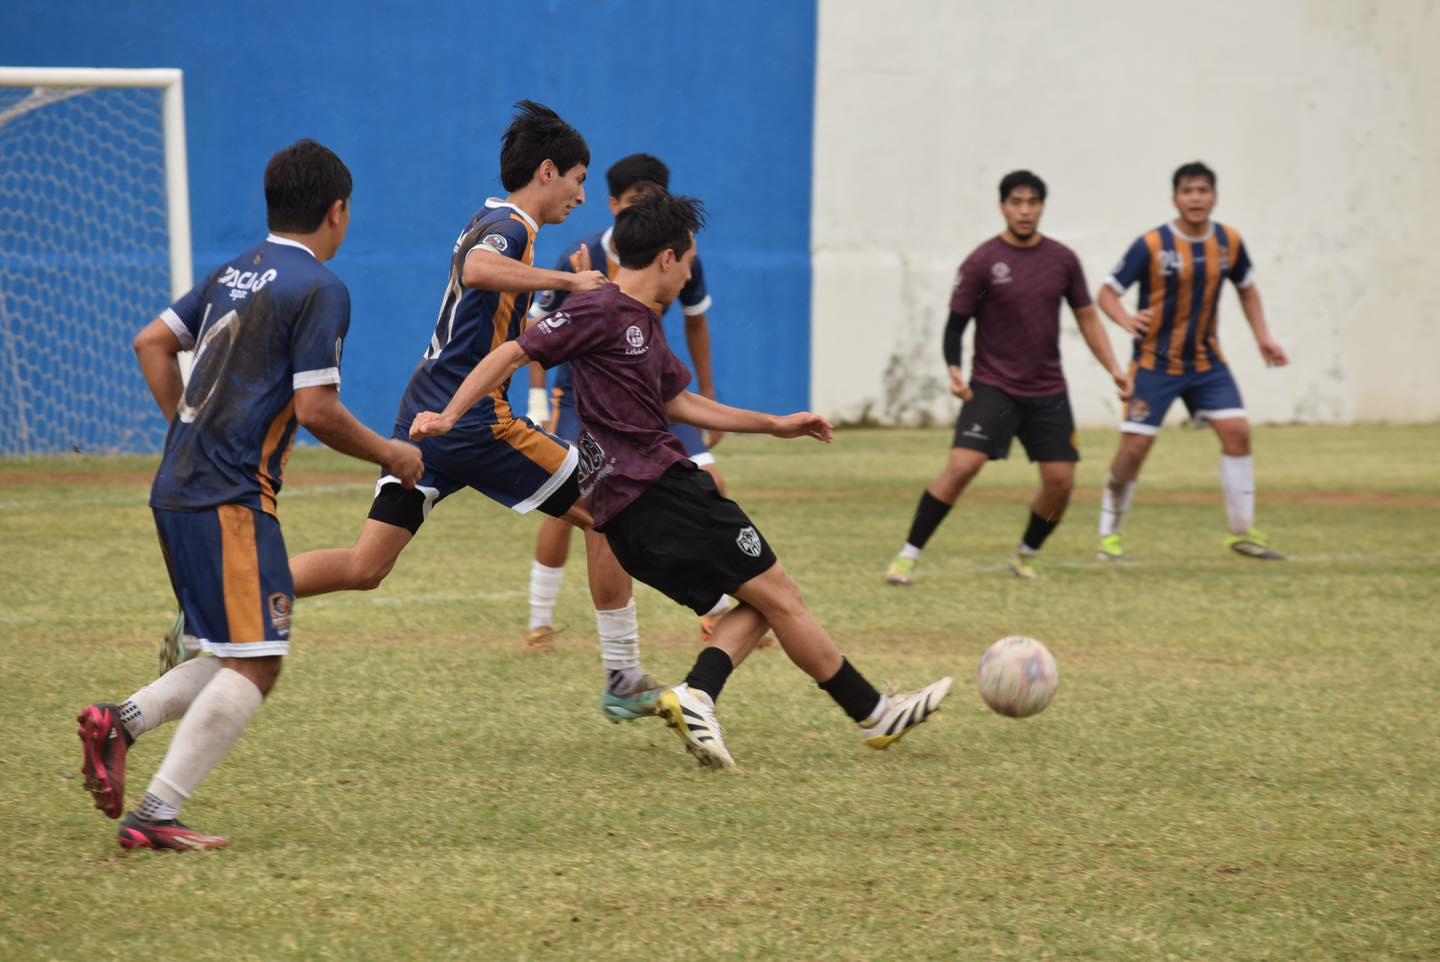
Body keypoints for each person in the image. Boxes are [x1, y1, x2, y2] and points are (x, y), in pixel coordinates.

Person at [411, 190, 953, 770]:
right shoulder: (600, 307)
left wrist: (774, 424)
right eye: (689, 260)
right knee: (783, 595)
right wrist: (450, 414)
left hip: (625, 518)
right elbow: (511, 354)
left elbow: (680, 402)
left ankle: (699, 694)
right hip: (663, 491)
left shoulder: (641, 323)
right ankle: (873, 713)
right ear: (667, 258)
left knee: (760, 600)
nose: (692, 271)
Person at [77, 140, 425, 850]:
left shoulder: (233, 272)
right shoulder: (321, 288)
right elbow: (319, 408)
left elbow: (151, 342)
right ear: (338, 212)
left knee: (236, 647)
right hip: (230, 496)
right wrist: (392, 453)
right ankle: (157, 816)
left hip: (177, 487)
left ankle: (120, 723)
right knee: (259, 660)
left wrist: (185, 432)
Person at [269, 103, 666, 722]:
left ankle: (228, 598)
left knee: (366, 564)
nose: (583, 197)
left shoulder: (491, 218)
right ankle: (623, 675)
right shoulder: (510, 228)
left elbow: (502, 318)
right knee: (613, 502)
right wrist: (567, 285)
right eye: (579, 179)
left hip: (424, 415)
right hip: (478, 422)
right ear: (546, 172)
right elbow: (478, 270)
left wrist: (568, 305)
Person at [521, 154, 734, 654]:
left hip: (652, 390)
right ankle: (540, 619)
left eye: (658, 200)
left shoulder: (681, 255)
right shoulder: (580, 256)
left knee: (711, 482)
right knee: (571, 502)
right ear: (614, 204)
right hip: (584, 395)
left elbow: (697, 323)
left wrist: (711, 394)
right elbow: (532, 334)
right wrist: (537, 401)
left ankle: (718, 606)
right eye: (639, 202)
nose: (649, 210)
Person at [885, 170, 1131, 586]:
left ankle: (1026, 554)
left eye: (1033, 202)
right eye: (1016, 202)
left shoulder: (1062, 260)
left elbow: (1087, 317)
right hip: (994, 385)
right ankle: (908, 556)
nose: (1025, 210)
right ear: (1002, 207)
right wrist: (954, 369)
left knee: (1061, 483)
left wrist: (1115, 369)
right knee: (962, 466)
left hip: (1048, 389)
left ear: (1042, 207)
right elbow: (955, 325)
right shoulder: (983, 262)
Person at [1095, 161, 1288, 561]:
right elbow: (1107, 294)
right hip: (1155, 362)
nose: (1196, 199)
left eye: (1203, 191)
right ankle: (1108, 537)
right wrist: (1127, 319)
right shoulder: (1151, 245)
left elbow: (1247, 289)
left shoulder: (1229, 242)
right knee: (1133, 450)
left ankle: (1243, 534)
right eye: (1188, 192)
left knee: (1238, 432)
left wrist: (1263, 337)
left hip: (1205, 363)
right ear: (1175, 199)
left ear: (1214, 197)